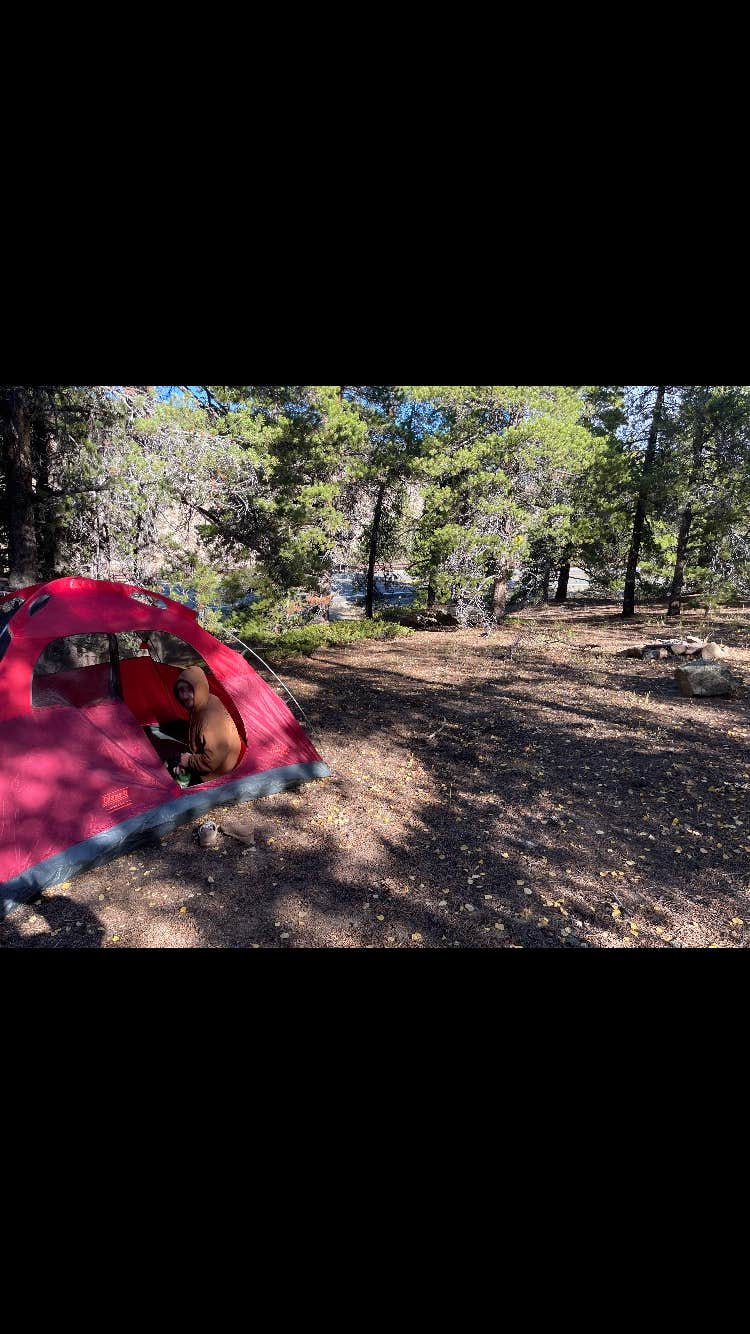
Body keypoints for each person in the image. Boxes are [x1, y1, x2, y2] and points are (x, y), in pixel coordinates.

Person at [172, 665, 242, 781]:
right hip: (210, 760)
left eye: (189, 689)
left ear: (199, 688)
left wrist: (188, 761)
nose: (184, 696)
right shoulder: (204, 701)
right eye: (181, 690)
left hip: (217, 774)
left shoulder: (209, 718)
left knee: (169, 782)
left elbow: (211, 761)